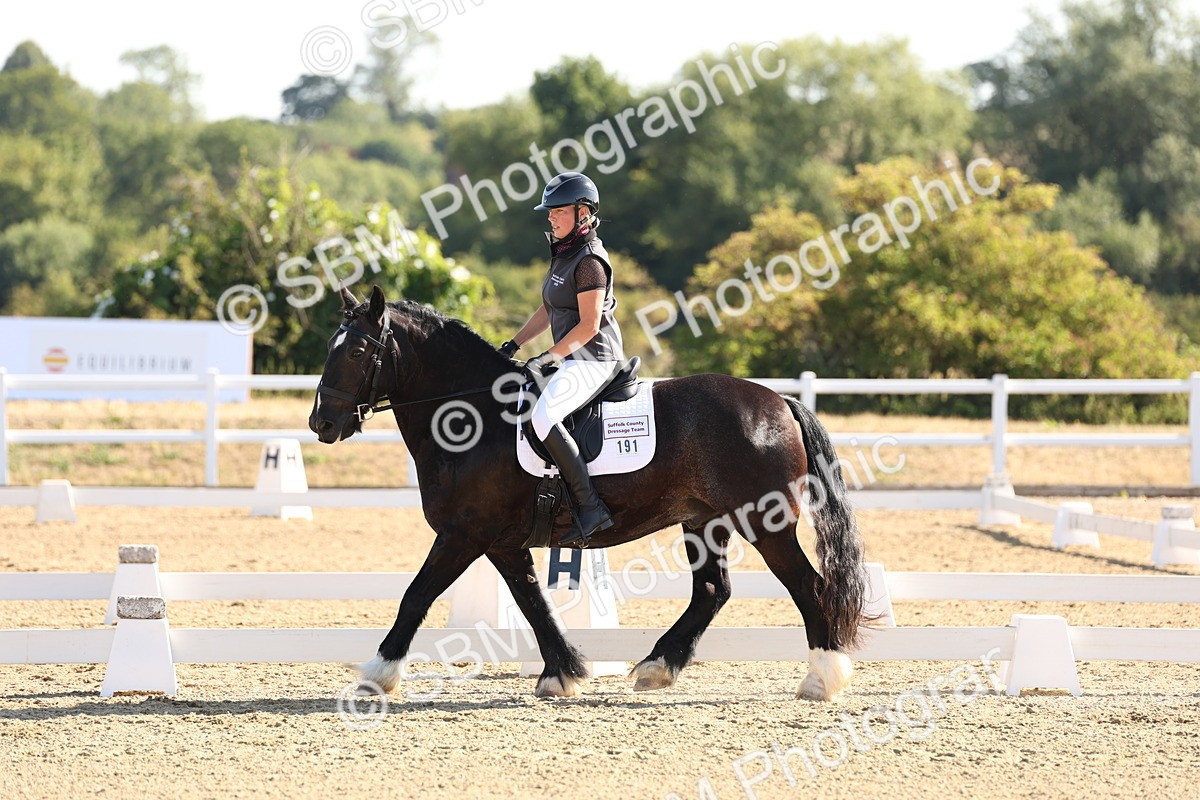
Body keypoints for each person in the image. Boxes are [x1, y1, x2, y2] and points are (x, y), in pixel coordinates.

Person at [497, 171, 624, 547]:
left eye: (558, 211)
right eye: (548, 212)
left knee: (543, 415)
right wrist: (515, 343)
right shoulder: (564, 254)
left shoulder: (589, 262)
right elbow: (549, 308)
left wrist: (546, 358)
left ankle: (590, 507)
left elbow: (588, 326)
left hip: (595, 361)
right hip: (573, 360)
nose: (550, 217)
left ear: (583, 213)